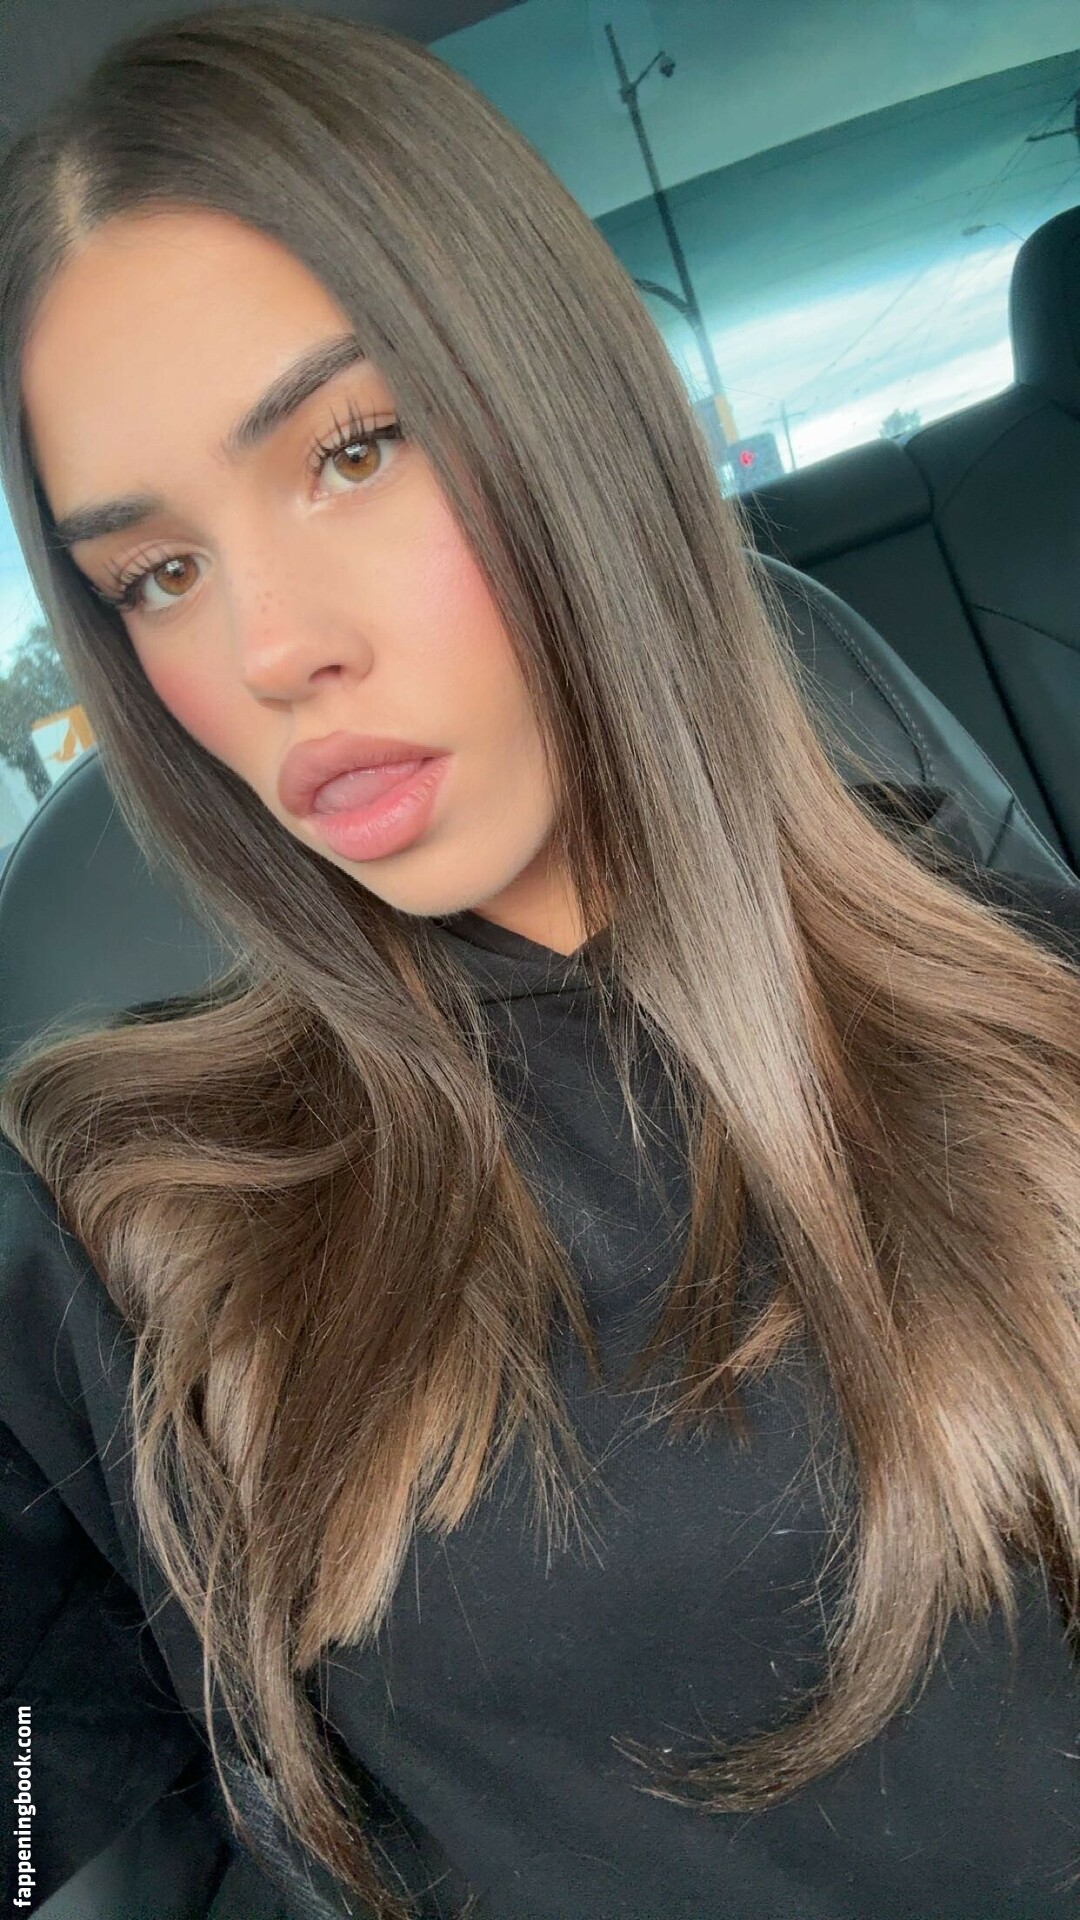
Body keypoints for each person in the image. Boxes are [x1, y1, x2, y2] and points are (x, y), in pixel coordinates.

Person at [1, 8, 1079, 1917]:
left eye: (353, 450)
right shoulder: (125, 1207)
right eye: (157, 573)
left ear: (561, 412)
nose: (268, 649)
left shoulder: (1036, 1010)